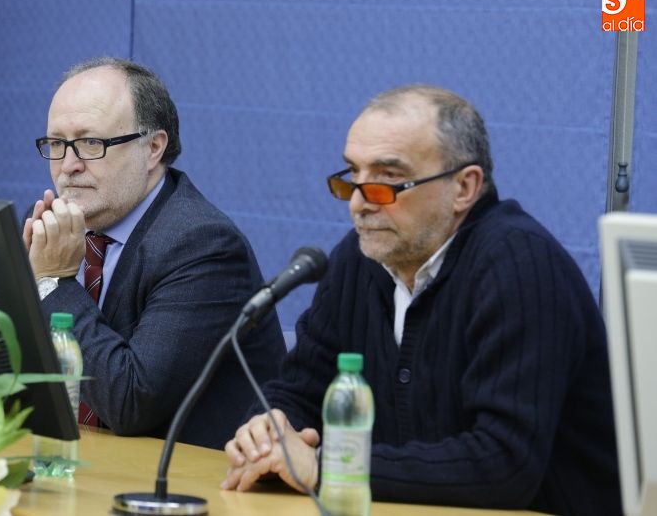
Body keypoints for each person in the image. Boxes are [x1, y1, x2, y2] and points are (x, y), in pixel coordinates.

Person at [220, 85, 622, 514]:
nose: (359, 203)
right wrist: (270, 432)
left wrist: (324, 466)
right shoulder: (359, 259)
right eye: (353, 176)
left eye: (389, 179)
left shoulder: (520, 267)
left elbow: (503, 463)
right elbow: (301, 390)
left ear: (464, 187)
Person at [23, 57, 286, 450]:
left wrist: (54, 282)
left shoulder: (203, 245)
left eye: (91, 143)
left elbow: (132, 402)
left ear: (153, 148)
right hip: (76, 461)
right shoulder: (50, 229)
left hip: (188, 488)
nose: (68, 166)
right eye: (57, 144)